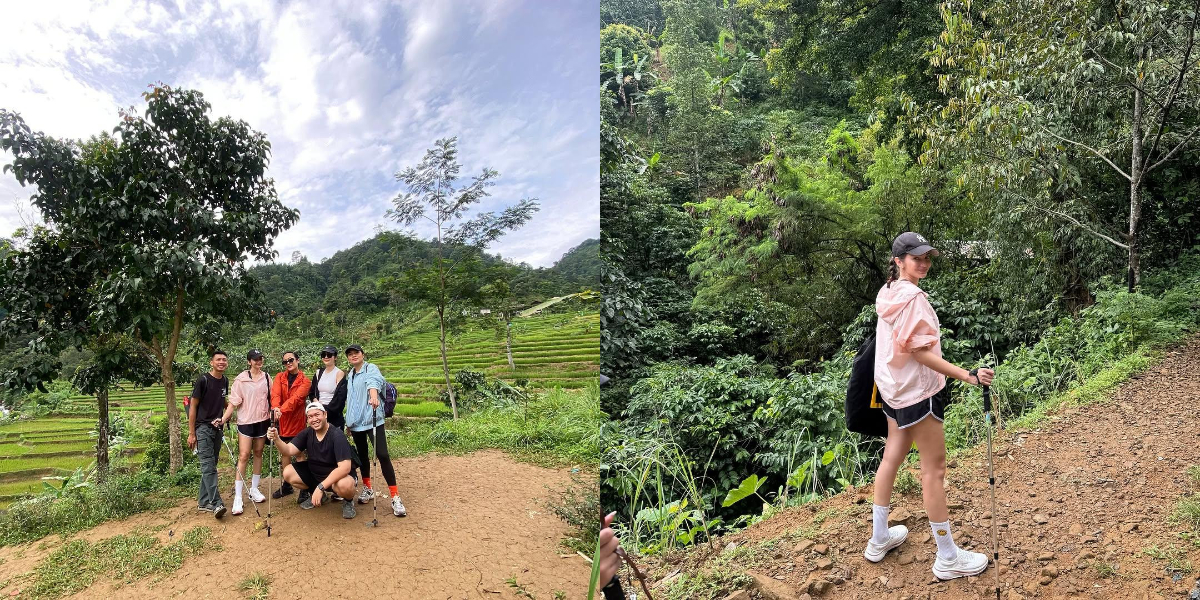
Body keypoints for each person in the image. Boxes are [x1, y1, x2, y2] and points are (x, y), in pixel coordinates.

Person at [865, 232, 996, 580]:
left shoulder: (888, 292)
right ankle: (948, 556)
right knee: (933, 471)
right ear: (898, 260)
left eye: (927, 257)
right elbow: (920, 352)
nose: (923, 263)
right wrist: (967, 375)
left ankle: (879, 538)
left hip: (892, 389)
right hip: (918, 394)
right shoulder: (914, 300)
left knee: (892, 455)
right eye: (915, 257)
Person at [343, 344, 406, 517]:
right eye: (350, 354)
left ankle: (395, 496)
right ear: (348, 359)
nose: (353, 356)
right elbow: (352, 400)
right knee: (362, 457)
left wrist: (373, 396)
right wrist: (349, 422)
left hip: (373, 419)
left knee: (382, 455)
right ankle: (368, 488)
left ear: (363, 354)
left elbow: (374, 382)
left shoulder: (371, 368)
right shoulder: (350, 375)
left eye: (356, 353)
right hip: (356, 423)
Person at [267, 401, 358, 518]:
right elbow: (288, 451)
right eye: (310, 417)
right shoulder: (307, 433)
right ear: (307, 420)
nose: (314, 419)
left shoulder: (337, 435)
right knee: (288, 472)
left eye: (317, 415)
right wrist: (276, 438)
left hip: (337, 478)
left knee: (345, 485)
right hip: (316, 474)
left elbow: (345, 468)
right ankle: (319, 495)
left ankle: (348, 501)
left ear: (325, 414)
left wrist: (321, 487)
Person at [218, 349, 272, 516]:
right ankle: (238, 497)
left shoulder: (267, 378)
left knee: (258, 452)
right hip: (246, 422)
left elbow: (272, 399)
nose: (258, 361)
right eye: (255, 359)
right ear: (249, 361)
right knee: (243, 455)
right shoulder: (241, 380)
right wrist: (223, 419)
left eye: (260, 358)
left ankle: (254, 489)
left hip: (262, 421)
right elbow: (233, 404)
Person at [186, 350, 230, 519]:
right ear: (211, 362)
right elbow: (193, 406)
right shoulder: (203, 380)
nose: (221, 362)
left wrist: (231, 409)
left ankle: (204, 501)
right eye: (218, 359)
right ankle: (216, 502)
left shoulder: (225, 380)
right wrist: (192, 433)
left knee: (212, 464)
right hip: (203, 428)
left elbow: (224, 401)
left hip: (217, 428)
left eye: (224, 360)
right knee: (208, 466)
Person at [270, 350, 311, 502]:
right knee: (284, 453)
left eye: (291, 359)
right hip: (282, 421)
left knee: (299, 454)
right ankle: (287, 485)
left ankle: (304, 487)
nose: (288, 363)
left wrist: (280, 409)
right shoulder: (280, 377)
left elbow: (296, 399)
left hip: (297, 422)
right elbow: (275, 395)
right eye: (285, 361)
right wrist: (275, 408)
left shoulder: (305, 382)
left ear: (297, 360)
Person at [309, 345, 348, 430]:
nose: (326, 357)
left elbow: (340, 398)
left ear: (335, 357)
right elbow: (312, 393)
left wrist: (325, 412)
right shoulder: (318, 373)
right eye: (323, 355)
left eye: (329, 355)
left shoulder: (339, 373)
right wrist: (318, 406)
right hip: (318, 414)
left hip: (333, 415)